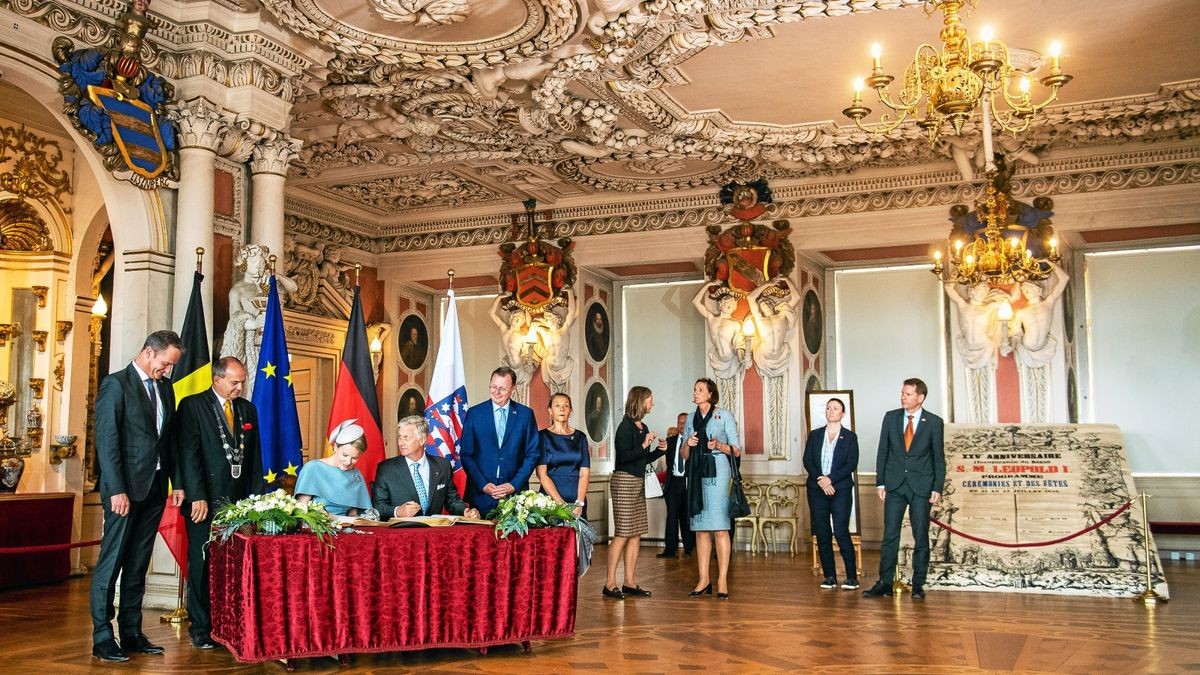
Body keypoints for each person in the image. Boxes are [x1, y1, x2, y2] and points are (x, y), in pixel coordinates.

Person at [90, 330, 183, 662]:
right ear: (148, 352)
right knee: (112, 562)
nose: (167, 370)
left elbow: (166, 440)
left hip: (155, 489)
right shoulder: (116, 385)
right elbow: (107, 441)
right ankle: (103, 636)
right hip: (124, 492)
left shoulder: (165, 388)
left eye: (171, 365)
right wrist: (116, 489)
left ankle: (131, 632)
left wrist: (176, 483)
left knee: (137, 564)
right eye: (165, 363)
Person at [175, 356, 264, 649]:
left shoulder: (247, 409)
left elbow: (254, 460)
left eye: (242, 382)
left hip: (239, 502)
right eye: (234, 382)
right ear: (217, 379)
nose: (240, 387)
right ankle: (201, 627)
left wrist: (257, 501)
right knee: (202, 565)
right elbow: (188, 453)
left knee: (235, 564)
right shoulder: (192, 405)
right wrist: (196, 495)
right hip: (205, 501)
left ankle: (229, 624)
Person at [863, 378, 946, 601]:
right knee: (890, 536)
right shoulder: (890, 418)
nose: (903, 397)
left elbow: (939, 458)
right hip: (894, 485)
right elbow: (883, 451)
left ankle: (918, 584)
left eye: (908, 394)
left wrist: (937, 487)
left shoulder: (934, 422)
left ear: (920, 398)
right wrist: (880, 482)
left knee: (921, 536)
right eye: (902, 393)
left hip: (921, 487)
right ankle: (885, 583)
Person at [681, 378, 742, 600]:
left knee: (720, 528)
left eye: (700, 390)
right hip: (696, 473)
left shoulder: (724, 415)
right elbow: (683, 455)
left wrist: (718, 445)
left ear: (710, 394)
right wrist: (688, 444)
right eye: (694, 389)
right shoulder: (690, 418)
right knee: (700, 529)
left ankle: (723, 579)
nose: (695, 393)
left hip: (719, 471)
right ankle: (703, 579)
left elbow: (736, 450)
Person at [603, 386, 666, 599]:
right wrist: (644, 444)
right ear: (640, 401)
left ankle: (630, 581)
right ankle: (610, 583)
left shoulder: (643, 426)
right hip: (624, 481)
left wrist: (659, 450)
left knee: (636, 533)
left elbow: (642, 458)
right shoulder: (625, 427)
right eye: (650, 399)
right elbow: (625, 457)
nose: (653, 403)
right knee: (622, 533)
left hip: (638, 482)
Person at [459, 366, 540, 514]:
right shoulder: (474, 414)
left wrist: (513, 484)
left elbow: (532, 454)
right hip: (480, 496)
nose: (496, 392)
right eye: (493, 387)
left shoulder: (525, 415)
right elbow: (466, 454)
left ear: (513, 389)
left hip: (515, 497)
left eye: (502, 388)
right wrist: (483, 485)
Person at [802, 398, 859, 590]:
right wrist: (821, 479)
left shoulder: (850, 437)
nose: (831, 411)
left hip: (840, 489)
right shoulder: (815, 435)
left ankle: (851, 577)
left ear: (842, 414)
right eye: (828, 408)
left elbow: (851, 464)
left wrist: (830, 479)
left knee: (841, 531)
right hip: (817, 489)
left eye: (835, 408)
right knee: (822, 532)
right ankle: (830, 576)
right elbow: (808, 460)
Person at [373, 415, 480, 519]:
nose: (401, 443)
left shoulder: (443, 466)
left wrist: (465, 512)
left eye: (406, 438)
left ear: (422, 440)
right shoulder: (386, 469)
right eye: (400, 437)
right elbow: (378, 507)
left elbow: (452, 501)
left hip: (433, 533)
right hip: (401, 533)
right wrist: (397, 511)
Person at [294, 420, 373, 516]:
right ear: (335, 447)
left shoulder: (356, 475)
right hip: (317, 527)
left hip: (346, 528)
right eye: (345, 455)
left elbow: (353, 515)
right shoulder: (313, 468)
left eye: (354, 458)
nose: (348, 462)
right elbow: (301, 510)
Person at [536, 393, 591, 518]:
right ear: (550, 410)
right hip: (550, 501)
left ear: (570, 411)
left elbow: (585, 473)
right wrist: (560, 504)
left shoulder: (580, 437)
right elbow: (541, 474)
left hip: (577, 500)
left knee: (576, 537)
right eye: (557, 406)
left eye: (566, 406)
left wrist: (579, 503)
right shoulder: (542, 436)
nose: (562, 409)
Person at [657, 412, 694, 559]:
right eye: (679, 422)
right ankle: (670, 550)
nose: (682, 425)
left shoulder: (693, 442)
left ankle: (689, 548)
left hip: (688, 483)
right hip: (673, 484)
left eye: (685, 422)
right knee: (671, 517)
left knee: (686, 517)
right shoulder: (670, 441)